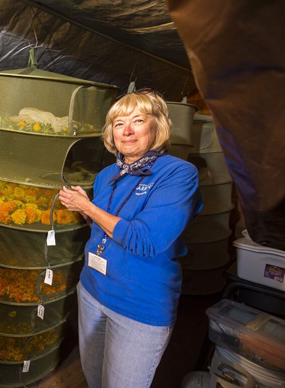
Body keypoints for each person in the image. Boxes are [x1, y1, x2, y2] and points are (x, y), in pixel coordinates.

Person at [58, 90, 203, 388]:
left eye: (137, 120)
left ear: (157, 126)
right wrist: (85, 209)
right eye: (118, 122)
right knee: (94, 378)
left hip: (139, 305)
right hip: (92, 291)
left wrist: (89, 208)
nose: (126, 130)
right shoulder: (107, 174)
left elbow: (146, 239)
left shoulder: (177, 174)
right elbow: (104, 227)